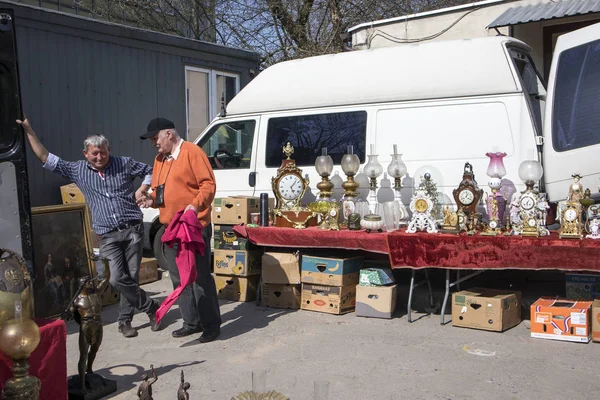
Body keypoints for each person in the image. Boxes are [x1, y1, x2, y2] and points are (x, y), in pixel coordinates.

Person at [17, 117, 160, 338]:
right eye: (95, 153)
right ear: (86, 154)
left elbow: (150, 170)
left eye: (103, 152)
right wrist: (28, 131)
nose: (100, 157)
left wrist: (143, 188)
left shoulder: (123, 163)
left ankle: (124, 321)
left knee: (130, 278)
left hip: (133, 229)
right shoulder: (77, 170)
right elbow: (45, 157)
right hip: (108, 234)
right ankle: (151, 307)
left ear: (108, 150)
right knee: (115, 278)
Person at [138, 117, 221, 343]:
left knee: (200, 277)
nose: (153, 143)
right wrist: (150, 200)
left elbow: (208, 185)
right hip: (171, 228)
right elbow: (160, 192)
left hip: (194, 226)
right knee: (177, 277)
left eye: (155, 138)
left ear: (169, 134)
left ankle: (211, 325)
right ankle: (191, 322)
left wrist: (194, 206)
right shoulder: (160, 160)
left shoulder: (192, 152)